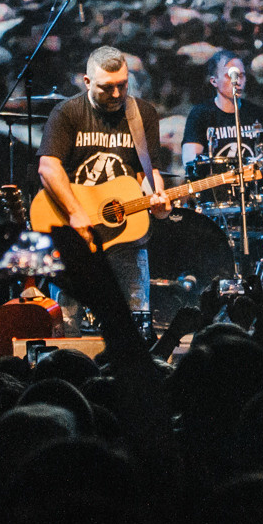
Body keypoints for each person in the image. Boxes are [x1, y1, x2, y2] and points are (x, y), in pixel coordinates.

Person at [37, 47, 170, 322]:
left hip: (127, 237)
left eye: (123, 85)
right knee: (65, 321)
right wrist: (76, 212)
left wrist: (157, 196)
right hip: (77, 237)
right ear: (87, 82)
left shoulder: (142, 113)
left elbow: (148, 171)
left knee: (136, 323)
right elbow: (48, 167)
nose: (117, 94)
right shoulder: (67, 112)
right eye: (107, 88)